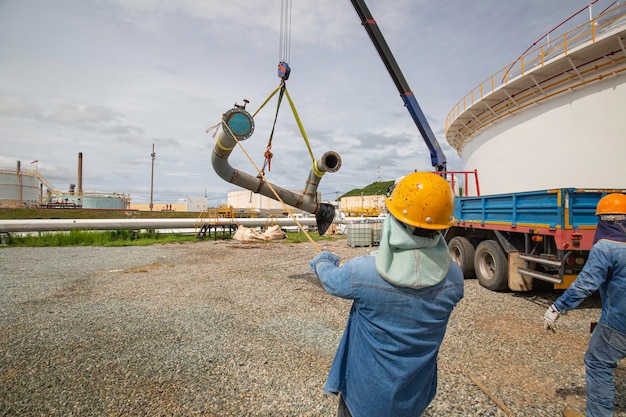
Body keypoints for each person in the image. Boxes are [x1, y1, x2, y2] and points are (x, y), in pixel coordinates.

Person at [309, 172, 464, 417]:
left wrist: (323, 259)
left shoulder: (364, 272)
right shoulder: (454, 279)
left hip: (364, 398)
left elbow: (330, 281)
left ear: (393, 220)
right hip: (415, 396)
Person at [543, 193, 626, 417]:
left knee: (598, 363)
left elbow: (585, 285)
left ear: (606, 221)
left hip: (618, 323)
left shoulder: (606, 248)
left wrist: (557, 308)